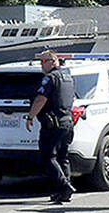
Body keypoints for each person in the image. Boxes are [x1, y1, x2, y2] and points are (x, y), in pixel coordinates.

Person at [26, 50, 75, 203]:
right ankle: (64, 191)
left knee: (48, 156)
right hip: (67, 122)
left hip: (53, 124)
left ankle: (65, 186)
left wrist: (30, 116)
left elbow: (41, 99)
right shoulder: (68, 78)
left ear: (54, 61)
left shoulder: (50, 78)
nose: (41, 66)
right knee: (62, 157)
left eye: (43, 62)